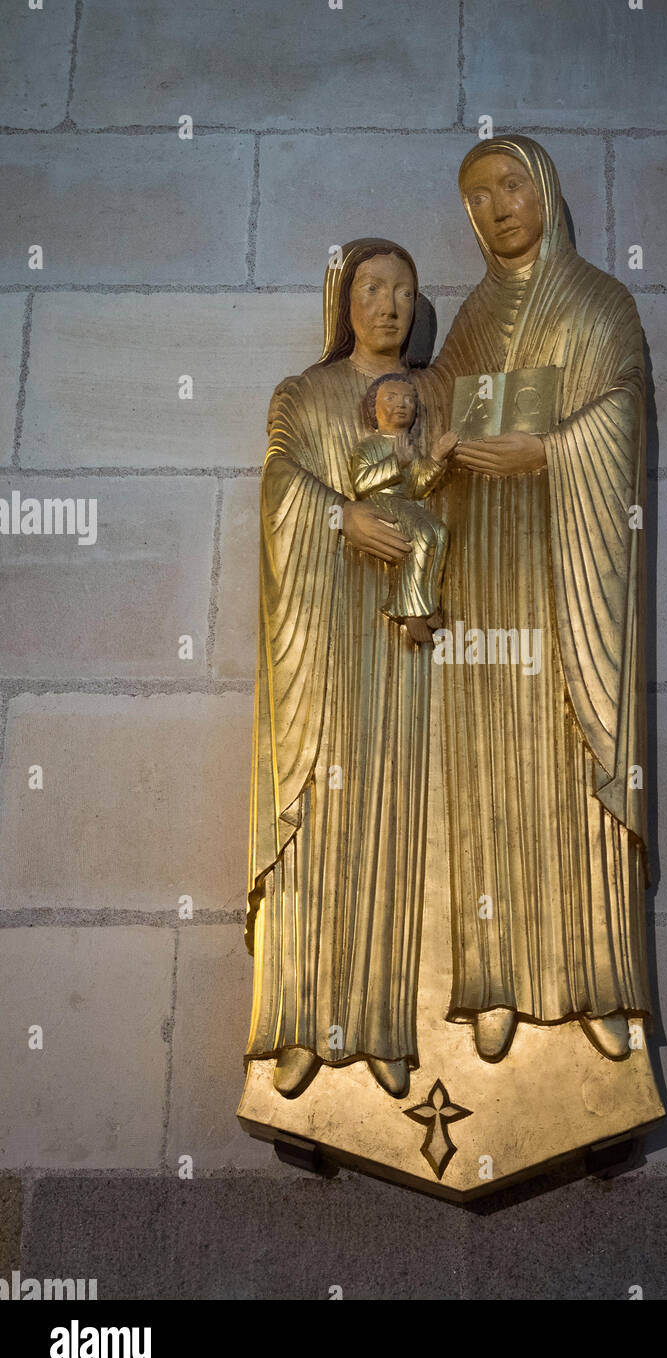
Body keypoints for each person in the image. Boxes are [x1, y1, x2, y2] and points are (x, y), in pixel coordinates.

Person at [421, 136, 653, 1062]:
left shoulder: (600, 302)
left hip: (567, 569)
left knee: (565, 760)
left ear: (544, 189)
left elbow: (619, 412)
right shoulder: (472, 318)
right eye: (475, 198)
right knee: (490, 766)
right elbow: (439, 409)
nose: (495, 207)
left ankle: (597, 978)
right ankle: (497, 979)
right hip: (486, 573)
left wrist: (549, 451)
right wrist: (418, 416)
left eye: (509, 186)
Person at [245, 239, 434, 1101]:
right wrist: (339, 520)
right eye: (371, 287)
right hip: (321, 634)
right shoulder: (305, 393)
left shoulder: (430, 400)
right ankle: (297, 1023)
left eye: (402, 290)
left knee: (387, 815)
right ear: (343, 300)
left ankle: (380, 1025)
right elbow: (281, 484)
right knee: (319, 816)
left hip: (400, 638)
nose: (388, 304)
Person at [349, 372, 457, 645]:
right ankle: (411, 612)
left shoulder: (411, 448)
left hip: (404, 503)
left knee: (439, 532)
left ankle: (427, 604)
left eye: (409, 399)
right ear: (374, 408)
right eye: (392, 397)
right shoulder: (369, 445)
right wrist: (397, 460)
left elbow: (419, 487)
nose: (402, 404)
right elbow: (362, 484)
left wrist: (436, 456)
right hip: (380, 503)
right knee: (420, 535)